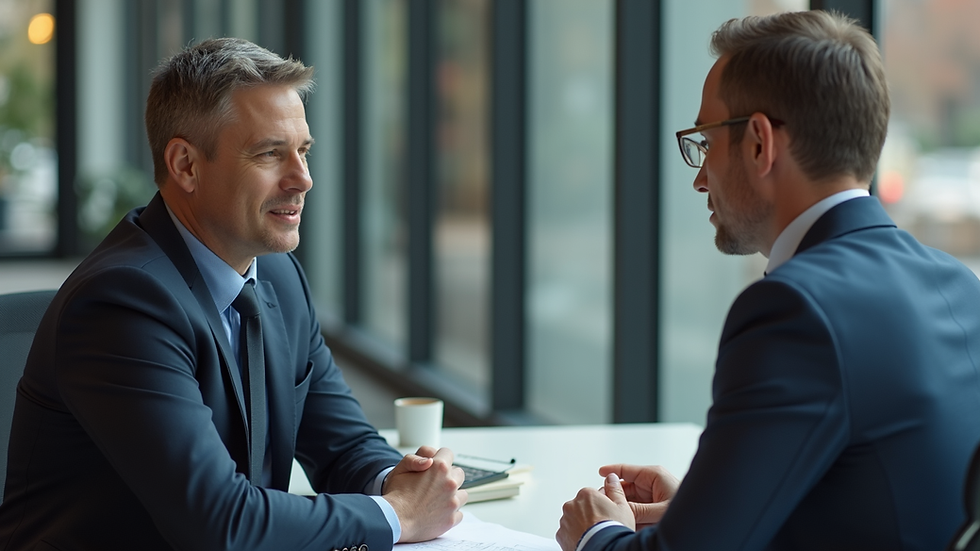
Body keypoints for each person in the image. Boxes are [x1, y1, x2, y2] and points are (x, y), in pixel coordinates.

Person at [0, 38, 465, 551]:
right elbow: (221, 523)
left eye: (303, 151)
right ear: (186, 166)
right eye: (270, 154)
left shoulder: (278, 278)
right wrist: (396, 516)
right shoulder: (123, 302)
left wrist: (398, 482)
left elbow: (343, 447)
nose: (303, 179)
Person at [557, 10, 980, 551]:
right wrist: (708, 504)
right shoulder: (955, 282)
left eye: (706, 141)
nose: (699, 177)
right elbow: (880, 500)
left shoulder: (795, 309)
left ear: (759, 142)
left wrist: (598, 532)